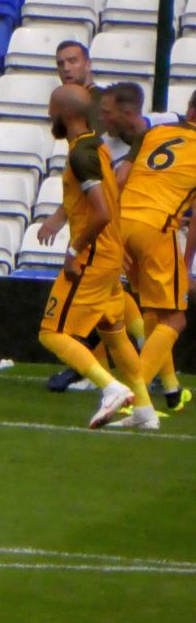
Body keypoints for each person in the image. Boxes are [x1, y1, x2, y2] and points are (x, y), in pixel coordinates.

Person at [36, 84, 157, 429]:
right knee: (114, 334)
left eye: (52, 108)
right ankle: (145, 411)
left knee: (52, 332)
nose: (48, 114)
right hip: (108, 253)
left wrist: (74, 252)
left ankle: (111, 388)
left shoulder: (82, 155)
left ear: (67, 114)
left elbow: (102, 212)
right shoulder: (95, 147)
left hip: (92, 257)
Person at [40, 42, 144, 393]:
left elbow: (138, 130)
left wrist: (126, 167)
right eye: (60, 63)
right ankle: (130, 380)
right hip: (102, 208)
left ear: (88, 62)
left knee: (93, 298)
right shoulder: (73, 107)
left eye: (72, 61)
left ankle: (99, 372)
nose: (66, 67)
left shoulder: (98, 104)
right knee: (110, 303)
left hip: (110, 212)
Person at [114, 88, 196, 423]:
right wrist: (187, 265)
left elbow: (120, 178)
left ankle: (173, 390)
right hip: (156, 228)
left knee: (154, 310)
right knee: (177, 317)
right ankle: (134, 395)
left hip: (124, 223)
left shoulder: (155, 132)